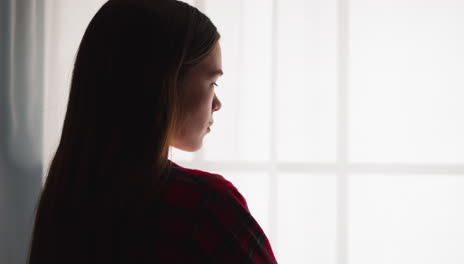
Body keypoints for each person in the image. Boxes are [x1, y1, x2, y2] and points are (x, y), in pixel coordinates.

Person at [27, 0, 277, 263]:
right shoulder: (206, 207)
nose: (217, 103)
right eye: (213, 82)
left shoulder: (64, 204)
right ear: (165, 83)